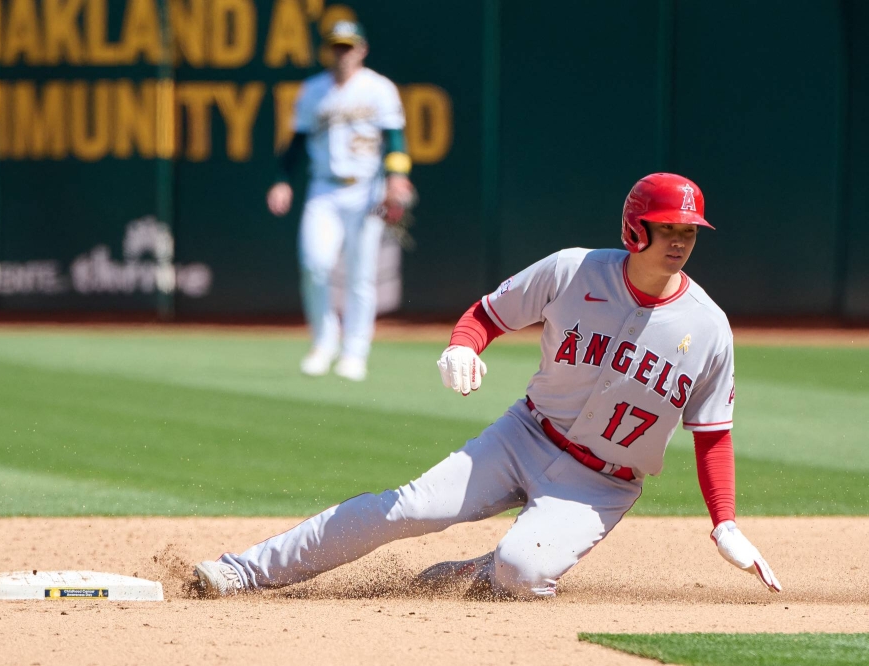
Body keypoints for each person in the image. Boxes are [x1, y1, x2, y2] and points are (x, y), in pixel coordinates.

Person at [196, 173, 781, 599]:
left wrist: (724, 521)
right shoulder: (573, 270)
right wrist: (461, 346)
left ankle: (483, 570)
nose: (681, 241)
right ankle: (244, 570)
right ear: (635, 229)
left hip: (599, 484)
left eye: (690, 231)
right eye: (668, 229)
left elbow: (713, 435)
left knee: (519, 573)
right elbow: (486, 314)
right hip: (524, 435)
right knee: (406, 509)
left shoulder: (709, 327)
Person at [267, 20, 416, 382]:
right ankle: (323, 342)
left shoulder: (378, 88)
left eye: (348, 46)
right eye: (336, 46)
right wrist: (283, 180)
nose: (342, 53)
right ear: (328, 50)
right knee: (314, 264)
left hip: (366, 188)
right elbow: (298, 143)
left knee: (360, 274)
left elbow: (395, 138)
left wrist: (396, 176)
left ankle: (355, 351)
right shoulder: (314, 90)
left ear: (361, 49)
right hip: (324, 188)